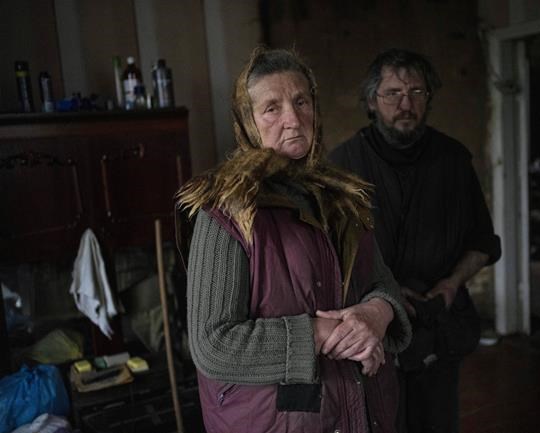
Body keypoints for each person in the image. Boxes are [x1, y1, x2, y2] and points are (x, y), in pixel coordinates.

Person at [175, 47, 411, 433]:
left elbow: (382, 282)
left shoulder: (342, 197)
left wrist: (376, 315)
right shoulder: (226, 211)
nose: (293, 119)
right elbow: (213, 344)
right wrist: (320, 332)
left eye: (301, 101)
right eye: (272, 108)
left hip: (360, 408)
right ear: (248, 121)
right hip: (278, 420)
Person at [329, 49, 501, 433]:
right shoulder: (343, 166)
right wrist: (384, 295)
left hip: (441, 321)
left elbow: (484, 241)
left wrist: (451, 284)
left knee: (438, 422)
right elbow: (329, 257)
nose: (405, 104)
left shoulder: (453, 159)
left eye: (416, 92)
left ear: (428, 98)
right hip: (377, 330)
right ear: (372, 102)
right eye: (393, 93)